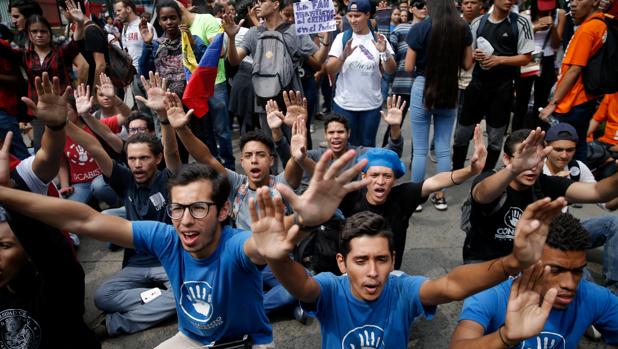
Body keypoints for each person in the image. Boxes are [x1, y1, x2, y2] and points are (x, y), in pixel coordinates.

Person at [0, 141, 370, 348]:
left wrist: (306, 219)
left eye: (198, 207)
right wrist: (6, 193)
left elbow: (260, 246)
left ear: (224, 210)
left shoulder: (236, 245)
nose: (185, 219)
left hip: (247, 344)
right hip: (191, 339)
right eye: (177, 208)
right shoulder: (165, 237)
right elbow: (83, 219)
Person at [249, 183, 567, 348]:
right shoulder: (332, 288)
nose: (373, 271)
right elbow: (302, 286)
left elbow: (451, 285)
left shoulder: (403, 288)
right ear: (342, 263)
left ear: (392, 261)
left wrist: (513, 262)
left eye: (381, 259)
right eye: (361, 260)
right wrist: (277, 257)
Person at [66, 75, 180, 338]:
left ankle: (114, 325)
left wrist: (163, 117)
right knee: (103, 297)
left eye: (143, 158)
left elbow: (173, 154)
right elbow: (96, 147)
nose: (137, 164)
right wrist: (69, 122)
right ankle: (157, 299)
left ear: (157, 158)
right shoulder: (125, 179)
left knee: (183, 294)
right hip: (136, 265)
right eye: (132, 159)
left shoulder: (168, 179)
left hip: (167, 262)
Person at [450, 213, 618, 348]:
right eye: (555, 270)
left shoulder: (592, 295)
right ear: (525, 264)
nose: (570, 284)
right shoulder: (489, 294)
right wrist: (504, 337)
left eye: (578, 271)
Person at [340, 124, 487, 269]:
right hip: (355, 271)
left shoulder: (403, 196)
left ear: (395, 180)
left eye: (387, 176)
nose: (380, 181)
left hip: (391, 272)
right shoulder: (349, 197)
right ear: (363, 176)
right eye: (374, 175)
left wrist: (471, 170)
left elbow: (435, 181)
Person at [463, 128, 618, 263]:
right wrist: (514, 170)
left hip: (527, 260)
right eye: (524, 159)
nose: (531, 166)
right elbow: (482, 194)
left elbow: (597, 192)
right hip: (484, 262)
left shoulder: (545, 182)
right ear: (507, 159)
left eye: (537, 159)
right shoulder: (491, 179)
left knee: (578, 276)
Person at [405, 0, 473, 211]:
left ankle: (416, 196)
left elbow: (408, 66)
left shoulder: (420, 28)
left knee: (420, 148)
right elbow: (467, 64)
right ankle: (440, 195)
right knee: (444, 149)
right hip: (450, 88)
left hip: (422, 87)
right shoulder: (463, 28)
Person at [452, 0, 534, 172]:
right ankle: (457, 169)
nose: (509, 1)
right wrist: (476, 54)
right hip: (476, 85)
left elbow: (526, 58)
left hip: (503, 88)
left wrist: (499, 59)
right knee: (462, 132)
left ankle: (487, 173)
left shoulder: (521, 22)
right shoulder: (478, 22)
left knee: (496, 136)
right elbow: (470, 54)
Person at [222, 0, 329, 131]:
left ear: (276, 4)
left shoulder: (295, 31)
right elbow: (234, 60)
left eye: (262, 1)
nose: (257, 5)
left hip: (292, 103)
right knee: (270, 146)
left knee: (294, 145)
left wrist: (326, 40)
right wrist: (231, 38)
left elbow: (318, 59)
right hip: (265, 102)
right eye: (257, 2)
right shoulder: (253, 33)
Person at [542, 123, 618, 293]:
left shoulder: (577, 168)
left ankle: (614, 288)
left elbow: (606, 204)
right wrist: (557, 185)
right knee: (583, 279)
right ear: (546, 146)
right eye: (558, 149)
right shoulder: (536, 170)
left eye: (569, 150)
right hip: (541, 237)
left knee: (614, 223)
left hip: (568, 231)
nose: (564, 155)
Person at [0, 2, 85, 152]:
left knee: (73, 144)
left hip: (64, 104)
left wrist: (79, 22)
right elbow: (5, 48)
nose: (39, 35)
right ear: (29, 34)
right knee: (42, 147)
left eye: (43, 31)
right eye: (35, 31)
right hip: (38, 108)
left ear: (49, 33)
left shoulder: (60, 50)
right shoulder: (24, 54)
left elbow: (75, 43)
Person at [283, 99, 405, 191]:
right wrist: (282, 134)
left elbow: (391, 155)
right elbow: (289, 171)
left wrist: (394, 127)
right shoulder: (311, 156)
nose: (336, 136)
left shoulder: (360, 154)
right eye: (331, 132)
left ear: (348, 134)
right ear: (325, 135)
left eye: (340, 132)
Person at [538, 0, 607, 160]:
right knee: (578, 146)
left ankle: (567, 183)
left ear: (595, 2)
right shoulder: (600, 24)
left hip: (572, 102)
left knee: (561, 151)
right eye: (572, 0)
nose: (572, 4)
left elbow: (574, 69)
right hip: (583, 99)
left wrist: (552, 104)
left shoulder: (588, 29)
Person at [324, 0, 396, 147]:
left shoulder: (379, 39)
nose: (352, 20)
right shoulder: (342, 38)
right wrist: (343, 57)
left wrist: (384, 53)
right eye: (350, 16)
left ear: (367, 15)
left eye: (357, 16)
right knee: (346, 147)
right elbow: (329, 69)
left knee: (367, 146)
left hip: (371, 106)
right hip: (344, 105)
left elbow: (390, 69)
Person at [178, 1, 236, 170]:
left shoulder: (206, 20)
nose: (169, 22)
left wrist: (193, 41)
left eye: (173, 17)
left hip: (215, 84)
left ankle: (229, 168)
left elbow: (222, 52)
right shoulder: (178, 30)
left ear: (181, 10)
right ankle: (214, 166)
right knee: (205, 131)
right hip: (196, 87)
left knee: (222, 131)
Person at [511, 0, 565, 131]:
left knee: (541, 101)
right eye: (542, 7)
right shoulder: (525, 15)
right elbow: (518, 41)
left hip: (547, 59)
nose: (545, 10)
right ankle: (516, 134)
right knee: (521, 100)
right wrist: (534, 28)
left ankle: (538, 134)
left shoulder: (559, 14)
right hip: (528, 58)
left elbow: (555, 45)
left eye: (548, 7)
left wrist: (552, 27)